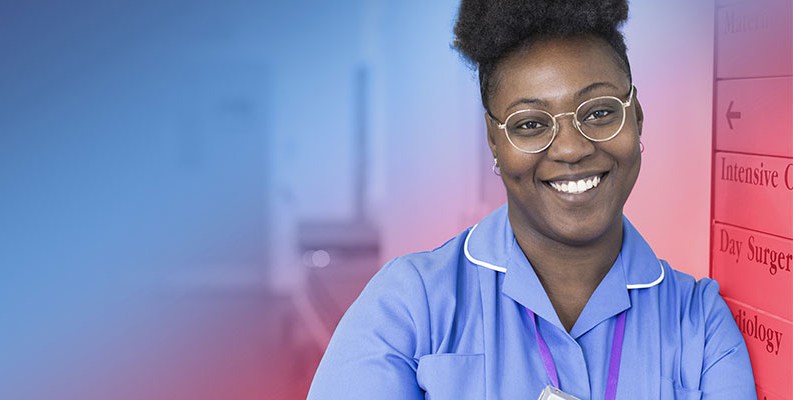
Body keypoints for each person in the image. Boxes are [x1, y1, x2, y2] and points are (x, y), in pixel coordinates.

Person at [307, 0, 756, 398]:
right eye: (530, 124)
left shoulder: (700, 326)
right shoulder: (411, 306)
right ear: (494, 141)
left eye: (599, 113)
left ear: (635, 117)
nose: (570, 149)